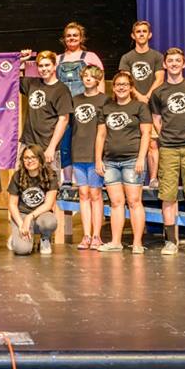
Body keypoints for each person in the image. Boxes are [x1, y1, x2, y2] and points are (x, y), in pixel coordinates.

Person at [149, 48, 185, 256]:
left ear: (184, 63)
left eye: (177, 60)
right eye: (170, 60)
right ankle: (171, 241)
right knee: (168, 194)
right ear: (165, 64)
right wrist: (165, 138)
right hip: (168, 148)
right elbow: (156, 120)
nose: (174, 63)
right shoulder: (158, 92)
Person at [95, 71, 151, 254]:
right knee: (116, 203)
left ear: (131, 87)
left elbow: (146, 134)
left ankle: (137, 243)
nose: (121, 87)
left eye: (125, 84)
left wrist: (141, 158)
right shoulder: (106, 108)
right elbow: (101, 135)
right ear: (113, 87)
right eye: (118, 84)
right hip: (110, 162)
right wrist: (98, 159)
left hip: (132, 160)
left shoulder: (140, 107)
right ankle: (116, 242)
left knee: (134, 201)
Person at [54, 22, 104, 178]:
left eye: (75, 35)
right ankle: (68, 180)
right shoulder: (58, 59)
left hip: (86, 109)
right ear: (64, 39)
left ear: (81, 38)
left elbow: (100, 81)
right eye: (68, 36)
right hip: (64, 109)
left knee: (86, 143)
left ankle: (93, 176)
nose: (72, 38)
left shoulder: (90, 57)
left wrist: (100, 105)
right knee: (65, 145)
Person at [118, 21, 164, 187]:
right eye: (138, 31)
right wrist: (139, 96)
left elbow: (160, 78)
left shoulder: (157, 56)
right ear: (133, 35)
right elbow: (125, 80)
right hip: (132, 106)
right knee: (133, 143)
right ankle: (133, 179)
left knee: (152, 143)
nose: (141, 34)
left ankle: (153, 178)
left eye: (144, 31)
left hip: (152, 106)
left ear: (149, 35)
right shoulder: (127, 58)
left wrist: (148, 95)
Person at [69, 65, 109, 249]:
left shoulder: (104, 100)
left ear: (98, 79)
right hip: (78, 151)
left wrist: (100, 156)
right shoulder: (75, 100)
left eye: (91, 76)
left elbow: (105, 130)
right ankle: (86, 235)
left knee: (95, 194)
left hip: (95, 153)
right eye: (85, 75)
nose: (87, 79)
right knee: (83, 194)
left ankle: (96, 236)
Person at [19, 50, 73, 170]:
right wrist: (21, 60)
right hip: (28, 143)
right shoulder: (32, 83)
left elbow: (64, 120)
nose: (44, 69)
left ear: (54, 66)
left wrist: (52, 147)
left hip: (47, 146)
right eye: (40, 66)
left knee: (49, 180)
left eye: (47, 65)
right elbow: (9, 77)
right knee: (23, 179)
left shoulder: (61, 90)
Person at [7, 145, 59, 255]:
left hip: (41, 215)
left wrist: (30, 217)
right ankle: (16, 237)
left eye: (33, 157)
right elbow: (12, 204)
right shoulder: (17, 176)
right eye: (26, 158)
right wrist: (21, 224)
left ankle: (45, 238)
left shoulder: (51, 175)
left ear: (40, 159)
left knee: (50, 222)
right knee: (22, 250)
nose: (29, 161)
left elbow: (48, 204)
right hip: (21, 215)